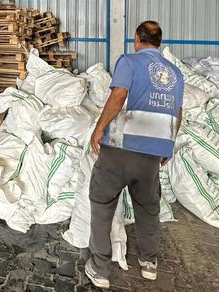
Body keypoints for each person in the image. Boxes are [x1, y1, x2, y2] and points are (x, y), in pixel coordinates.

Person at [84, 21, 184, 289]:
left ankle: (100, 268)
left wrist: (99, 128)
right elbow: (178, 113)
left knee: (102, 204)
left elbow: (118, 95)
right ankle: (149, 263)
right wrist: (167, 143)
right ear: (159, 42)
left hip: (119, 151)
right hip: (151, 156)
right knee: (148, 209)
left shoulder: (129, 62)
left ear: (138, 40)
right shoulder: (175, 73)